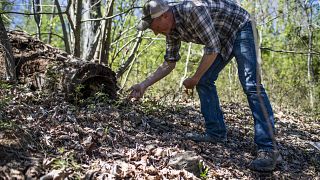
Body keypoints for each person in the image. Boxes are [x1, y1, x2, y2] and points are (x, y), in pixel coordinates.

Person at [129, 0, 281, 172]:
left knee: (251, 84)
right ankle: (216, 133)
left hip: (242, 26)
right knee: (204, 81)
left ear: (165, 15)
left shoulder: (193, 10)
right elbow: (169, 63)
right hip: (221, 37)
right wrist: (143, 85)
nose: (155, 32)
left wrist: (194, 78)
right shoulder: (171, 30)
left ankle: (269, 149)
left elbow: (212, 48)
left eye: (153, 26)